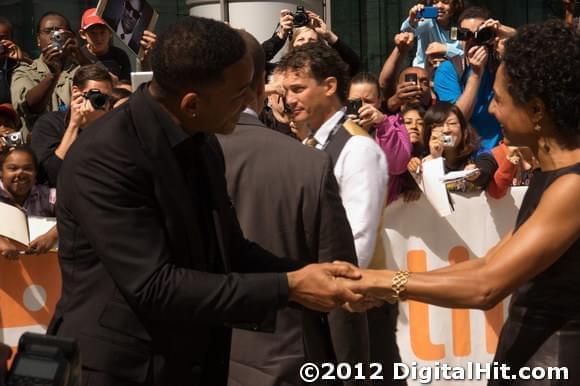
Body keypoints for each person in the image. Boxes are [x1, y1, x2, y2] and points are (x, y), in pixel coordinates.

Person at [49, 16, 364, 386]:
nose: (254, 100)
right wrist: (290, 286)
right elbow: (154, 285)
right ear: (192, 103)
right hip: (122, 369)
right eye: (240, 93)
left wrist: (310, 275)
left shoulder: (202, 139)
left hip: (192, 359)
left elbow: (228, 249)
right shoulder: (104, 158)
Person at [344, 19, 580, 385]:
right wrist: (373, 281)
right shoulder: (554, 175)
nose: (495, 111)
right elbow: (486, 263)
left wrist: (381, 282)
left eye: (500, 100)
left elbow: (486, 285)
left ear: (536, 111)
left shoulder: (573, 187)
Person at [218, 30, 369, 386]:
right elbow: (338, 280)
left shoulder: (170, 156)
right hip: (285, 362)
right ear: (261, 87)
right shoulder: (307, 163)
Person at [278, 43, 387, 270]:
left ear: (329, 86)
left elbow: (359, 236)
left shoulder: (358, 147)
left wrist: (336, 290)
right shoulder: (312, 142)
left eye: (298, 89)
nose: (289, 100)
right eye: (286, 91)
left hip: (347, 294)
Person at [432, 6, 515, 151]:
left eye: (481, 34)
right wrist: (476, 75)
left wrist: (506, 33)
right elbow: (456, 119)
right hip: (467, 158)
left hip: (504, 156)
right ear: (458, 37)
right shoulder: (449, 69)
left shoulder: (503, 64)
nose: (473, 40)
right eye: (466, 34)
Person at [30, 64, 114, 187]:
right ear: (76, 92)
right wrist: (74, 125)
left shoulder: (114, 125)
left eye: (106, 97)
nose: (101, 101)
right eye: (96, 95)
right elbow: (52, 176)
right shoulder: (49, 123)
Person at [10, 12, 88, 130]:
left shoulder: (81, 69)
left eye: (59, 32)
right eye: (48, 32)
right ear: (38, 40)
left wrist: (81, 57)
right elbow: (30, 106)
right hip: (38, 144)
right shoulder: (25, 71)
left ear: (70, 36)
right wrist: (52, 75)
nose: (54, 37)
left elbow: (107, 91)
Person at [348, 72, 412, 205]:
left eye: (368, 101)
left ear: (379, 100)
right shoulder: (337, 128)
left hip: (386, 212)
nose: (362, 107)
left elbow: (399, 165)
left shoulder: (395, 124)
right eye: (355, 102)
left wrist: (383, 125)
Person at [419, 102, 496, 192]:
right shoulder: (424, 161)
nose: (446, 130)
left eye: (452, 123)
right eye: (439, 125)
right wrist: (435, 158)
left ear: (463, 128)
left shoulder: (479, 153)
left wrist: (475, 174)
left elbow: (486, 171)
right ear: (429, 132)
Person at [262, 9, 360, 75]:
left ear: (320, 45)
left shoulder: (327, 73)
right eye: (301, 39)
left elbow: (353, 64)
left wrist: (328, 35)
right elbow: (254, 61)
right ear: (292, 45)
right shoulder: (280, 73)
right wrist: (280, 36)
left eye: (312, 40)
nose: (306, 44)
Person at [0, 146, 57, 254]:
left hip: (39, 266)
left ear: (36, 173)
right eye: (13, 168)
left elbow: (78, 214)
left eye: (28, 169)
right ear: (1, 172)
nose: (20, 173)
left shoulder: (48, 196)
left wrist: (52, 235)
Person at [79, 8, 157, 80]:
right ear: (83, 34)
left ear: (110, 32)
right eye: (93, 33)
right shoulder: (79, 55)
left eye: (102, 32)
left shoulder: (120, 55)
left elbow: (127, 86)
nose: (99, 38)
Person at [400, 0, 465, 68]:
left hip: (449, 73)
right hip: (423, 72)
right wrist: (411, 20)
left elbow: (464, 56)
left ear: (454, 7)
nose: (439, 6)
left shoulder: (459, 26)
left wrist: (445, 49)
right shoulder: (428, 21)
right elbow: (405, 33)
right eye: (435, 2)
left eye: (445, 2)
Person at [0, 17, 31, 104]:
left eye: (2, 38)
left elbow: (39, 75)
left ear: (11, 39)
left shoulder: (20, 60)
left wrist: (23, 60)